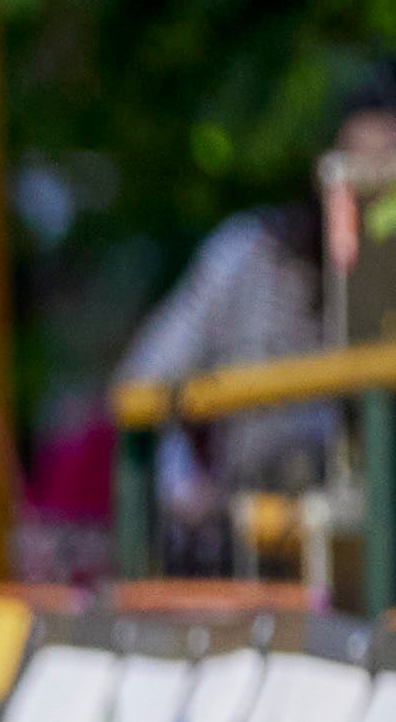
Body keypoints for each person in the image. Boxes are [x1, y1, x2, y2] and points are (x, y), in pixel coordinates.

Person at [108, 78, 396, 560]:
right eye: (359, 179)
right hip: (266, 546)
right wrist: (184, 488)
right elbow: (141, 381)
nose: (372, 204)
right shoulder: (250, 255)